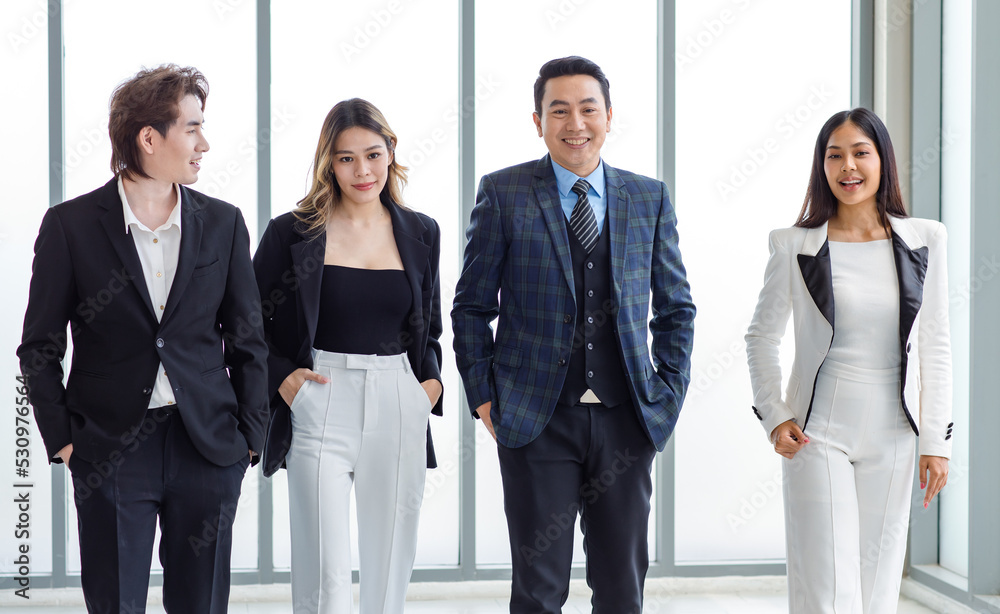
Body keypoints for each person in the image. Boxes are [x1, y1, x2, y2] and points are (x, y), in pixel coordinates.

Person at [17, 65, 267, 613]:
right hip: (108, 448)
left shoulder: (224, 223)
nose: (205, 143)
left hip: (206, 445)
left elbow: (248, 338)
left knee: (200, 604)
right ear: (149, 139)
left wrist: (250, 438)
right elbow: (39, 346)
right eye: (193, 128)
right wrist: (63, 438)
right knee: (116, 603)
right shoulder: (70, 225)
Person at [452, 56, 695, 613]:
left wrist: (667, 396)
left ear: (609, 116)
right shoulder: (505, 193)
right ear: (537, 121)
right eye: (558, 110)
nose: (575, 123)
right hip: (537, 420)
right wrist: (485, 397)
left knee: (620, 590)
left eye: (588, 109)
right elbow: (470, 308)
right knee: (538, 592)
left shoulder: (648, 198)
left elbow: (676, 307)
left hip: (626, 419)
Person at [745, 107, 952, 614]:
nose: (848, 167)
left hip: (895, 434)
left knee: (878, 587)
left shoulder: (927, 239)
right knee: (827, 587)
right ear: (822, 167)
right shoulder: (794, 245)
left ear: (882, 161)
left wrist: (936, 441)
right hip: (818, 431)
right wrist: (776, 416)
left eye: (861, 152)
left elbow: (937, 345)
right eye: (834, 156)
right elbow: (760, 337)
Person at [253, 98, 443, 614]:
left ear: (391, 154)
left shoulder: (421, 231)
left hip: (398, 397)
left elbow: (430, 328)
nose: (362, 171)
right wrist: (283, 379)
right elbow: (244, 326)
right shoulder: (290, 232)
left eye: (373, 155)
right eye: (345, 158)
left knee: (389, 565)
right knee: (323, 569)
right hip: (319, 397)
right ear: (328, 163)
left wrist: (429, 387)